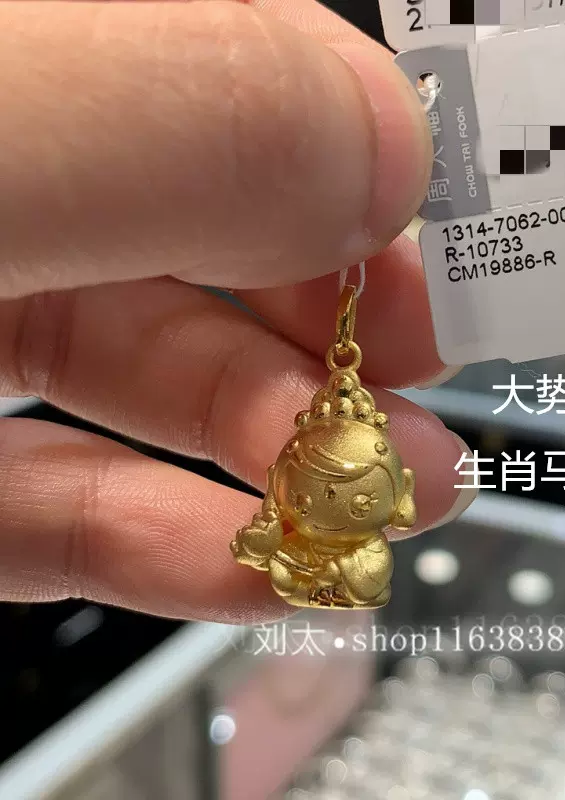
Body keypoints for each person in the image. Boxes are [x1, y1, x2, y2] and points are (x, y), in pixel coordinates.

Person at [0, 0, 477, 623]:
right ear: (284, 489)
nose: (337, 507)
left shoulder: (365, 531)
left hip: (347, 551)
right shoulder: (294, 511)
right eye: (321, 495)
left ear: (397, 496)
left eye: (361, 502)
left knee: (365, 567)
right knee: (290, 565)